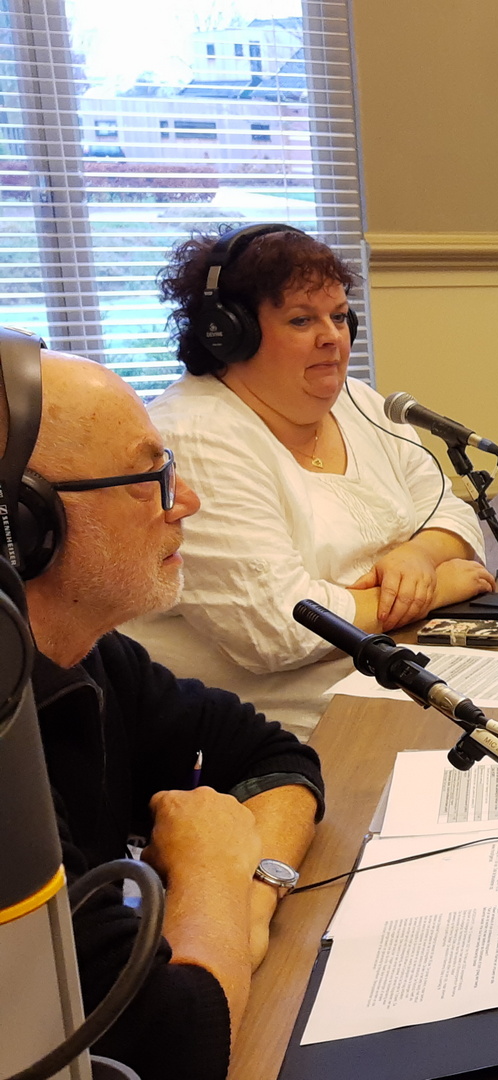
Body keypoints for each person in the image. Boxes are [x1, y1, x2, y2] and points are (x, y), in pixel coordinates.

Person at [23, 349, 324, 1080]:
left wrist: (247, 902)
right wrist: (210, 871)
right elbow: (175, 1049)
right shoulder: (7, 745)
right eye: (149, 478)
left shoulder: (87, 653)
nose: (185, 501)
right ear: (27, 522)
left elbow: (276, 757)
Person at [128, 224, 493, 738]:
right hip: (284, 729)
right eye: (302, 320)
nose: (332, 337)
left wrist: (418, 557)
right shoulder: (195, 437)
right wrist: (431, 590)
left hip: (398, 673)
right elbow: (279, 630)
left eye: (339, 317)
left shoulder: (360, 403)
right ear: (229, 333)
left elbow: (451, 514)